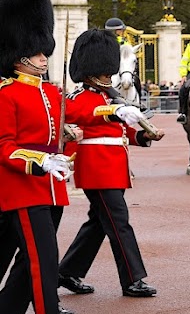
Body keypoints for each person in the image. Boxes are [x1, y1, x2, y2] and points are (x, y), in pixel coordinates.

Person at [0, 0, 82, 314]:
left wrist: (65, 150)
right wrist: (39, 161)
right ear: (17, 55)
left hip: (51, 189)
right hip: (22, 190)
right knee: (44, 265)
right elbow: (4, 146)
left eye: (43, 48)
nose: (43, 55)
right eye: (35, 50)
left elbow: (55, 138)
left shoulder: (51, 93)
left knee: (25, 269)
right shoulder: (6, 94)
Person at [55, 29, 164, 297]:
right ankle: (132, 279)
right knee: (119, 222)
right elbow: (87, 115)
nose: (110, 76)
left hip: (113, 168)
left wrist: (143, 135)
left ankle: (67, 272)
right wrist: (114, 111)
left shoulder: (109, 97)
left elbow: (121, 133)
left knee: (98, 223)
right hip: (96, 170)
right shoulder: (79, 99)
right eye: (105, 71)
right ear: (90, 70)